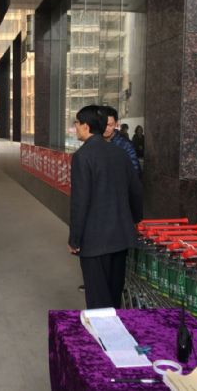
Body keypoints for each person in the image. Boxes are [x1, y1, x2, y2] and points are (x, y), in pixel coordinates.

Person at [68, 105, 142, 309]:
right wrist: (135, 220)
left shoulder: (83, 156)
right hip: (120, 237)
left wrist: (75, 239)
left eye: (77, 122)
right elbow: (136, 191)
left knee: (98, 301)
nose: (76, 127)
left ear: (86, 126)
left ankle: (101, 330)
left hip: (95, 241)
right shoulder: (120, 154)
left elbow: (80, 201)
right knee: (114, 296)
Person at [97, 106, 141, 175]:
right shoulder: (95, 142)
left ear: (116, 124)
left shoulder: (126, 145)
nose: (106, 128)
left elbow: (135, 170)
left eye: (110, 125)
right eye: (103, 124)